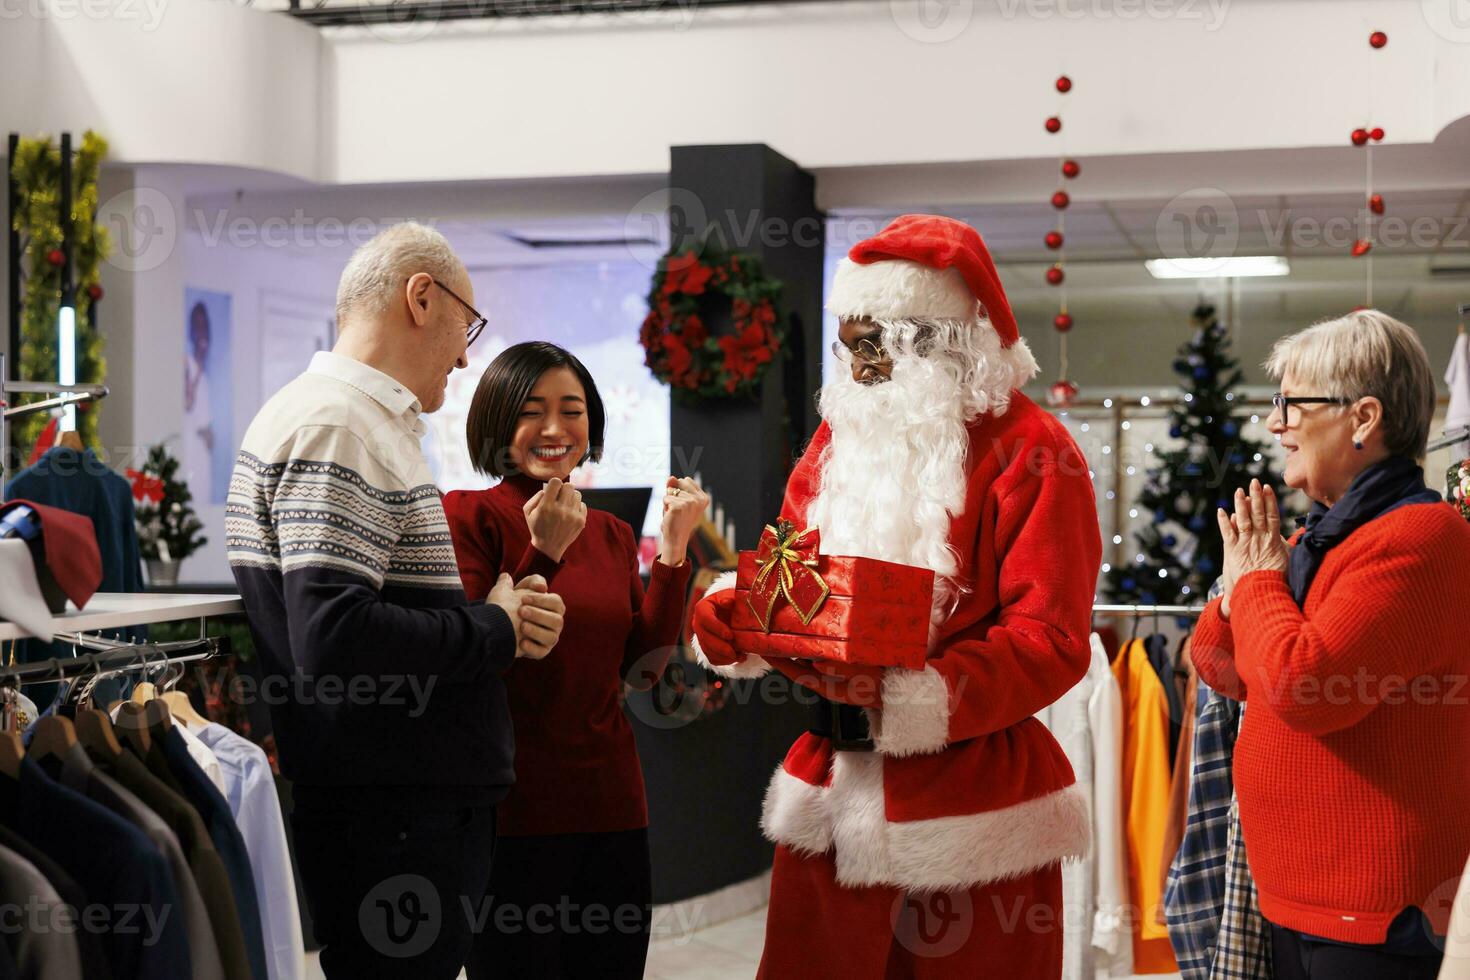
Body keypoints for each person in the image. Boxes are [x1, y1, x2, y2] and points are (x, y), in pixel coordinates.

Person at [690, 214, 1102, 978]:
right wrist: (737, 618)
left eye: (869, 344)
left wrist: (914, 698)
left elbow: (1049, 639)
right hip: (832, 799)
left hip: (973, 815)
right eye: (846, 345)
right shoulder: (837, 441)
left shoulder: (1036, 450)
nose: (855, 367)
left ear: (932, 340)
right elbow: (795, 576)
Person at [227, 223, 567, 979]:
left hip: (392, 808)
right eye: (465, 324)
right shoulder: (339, 424)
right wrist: (492, 629)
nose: (467, 353)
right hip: (398, 816)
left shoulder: (349, 420)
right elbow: (334, 635)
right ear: (421, 297)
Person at [1191, 309, 1470, 980]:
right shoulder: (1324, 540)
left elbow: (1303, 687)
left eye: (1290, 402)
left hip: (1372, 919)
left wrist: (1255, 581)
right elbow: (1216, 661)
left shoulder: (1419, 539)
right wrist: (1249, 588)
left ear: (1363, 419)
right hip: (1300, 902)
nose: (1275, 422)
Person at [442, 340, 707, 979]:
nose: (556, 429)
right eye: (533, 410)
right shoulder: (469, 515)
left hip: (612, 806)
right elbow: (476, 654)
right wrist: (543, 552)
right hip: (512, 814)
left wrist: (672, 554)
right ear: (497, 422)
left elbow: (643, 666)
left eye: (573, 409)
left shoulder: (612, 532)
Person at [185, 301, 215, 503]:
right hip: (189, 449)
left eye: (205, 326)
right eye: (197, 325)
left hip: (203, 453)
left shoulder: (206, 373)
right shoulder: (186, 363)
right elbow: (187, 403)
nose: (201, 332)